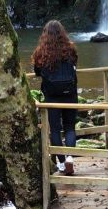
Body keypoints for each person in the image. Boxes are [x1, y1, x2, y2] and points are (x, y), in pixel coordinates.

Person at [32, 20, 78, 175]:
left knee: (55, 130)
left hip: (51, 97)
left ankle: (62, 162)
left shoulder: (41, 52)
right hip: (70, 94)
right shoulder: (70, 48)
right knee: (70, 128)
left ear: (45, 35)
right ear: (62, 33)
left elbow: (38, 72)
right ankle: (70, 156)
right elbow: (74, 67)